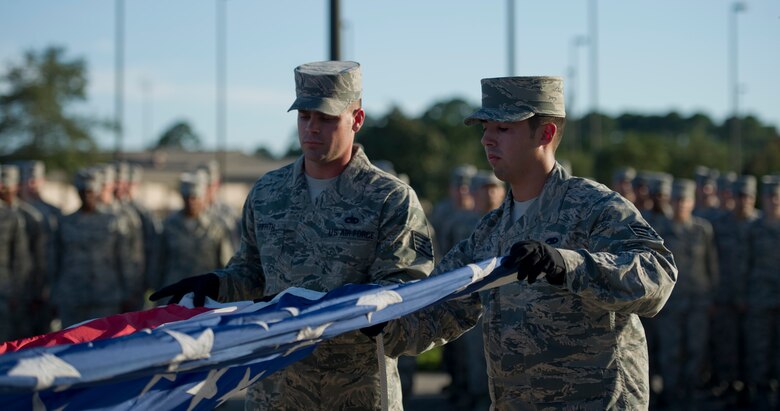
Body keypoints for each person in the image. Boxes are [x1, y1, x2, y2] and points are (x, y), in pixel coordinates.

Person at [150, 61, 435, 410]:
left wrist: (377, 310)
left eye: (326, 118)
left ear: (356, 119)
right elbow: (253, 272)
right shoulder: (269, 192)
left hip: (356, 389)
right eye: (304, 116)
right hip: (277, 388)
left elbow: (405, 292)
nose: (312, 128)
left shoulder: (389, 198)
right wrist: (216, 284)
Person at [391, 76, 677, 409]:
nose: (486, 139)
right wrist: (378, 320)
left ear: (545, 133)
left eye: (503, 129)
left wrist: (568, 265)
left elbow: (658, 275)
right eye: (485, 127)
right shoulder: (490, 232)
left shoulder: (594, 207)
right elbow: (438, 311)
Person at [653, 179, 718, 406]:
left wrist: (712, 297)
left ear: (692, 203)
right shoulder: (661, 231)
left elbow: (712, 266)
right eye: (677, 200)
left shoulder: (703, 229)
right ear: (671, 201)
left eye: (685, 200)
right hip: (671, 304)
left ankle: (691, 395)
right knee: (671, 352)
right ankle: (672, 396)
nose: (681, 204)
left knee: (696, 350)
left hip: (698, 303)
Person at [54, 168, 132, 328]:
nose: (86, 196)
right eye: (82, 191)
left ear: (98, 191)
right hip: (72, 297)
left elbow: (125, 260)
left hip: (106, 296)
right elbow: (54, 260)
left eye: (90, 191)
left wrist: (128, 292)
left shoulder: (113, 221)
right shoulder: (65, 223)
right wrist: (54, 294)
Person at [155, 173, 233, 290]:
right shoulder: (169, 225)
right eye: (187, 197)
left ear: (203, 197)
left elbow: (226, 264)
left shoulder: (215, 227)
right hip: (174, 291)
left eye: (194, 197)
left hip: (205, 292)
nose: (191, 201)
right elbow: (158, 261)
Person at [744, 175, 780, 408]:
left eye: (777, 196)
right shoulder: (753, 228)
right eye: (769, 196)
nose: (774, 200)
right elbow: (743, 265)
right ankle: (760, 396)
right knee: (759, 350)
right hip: (759, 300)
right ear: (762, 199)